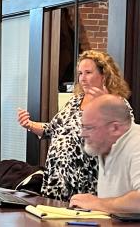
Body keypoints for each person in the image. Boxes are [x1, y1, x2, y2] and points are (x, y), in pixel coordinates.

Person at [17, 50, 131, 201]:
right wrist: (30, 125)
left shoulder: (116, 104)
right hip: (57, 179)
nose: (82, 79)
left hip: (87, 182)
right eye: (80, 73)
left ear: (104, 75)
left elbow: (126, 140)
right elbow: (52, 129)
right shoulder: (75, 101)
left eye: (88, 72)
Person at [69, 94, 140, 213]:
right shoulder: (106, 144)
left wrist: (96, 203)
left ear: (115, 128)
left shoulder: (137, 142)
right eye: (83, 127)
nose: (82, 134)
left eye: (89, 128)